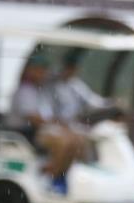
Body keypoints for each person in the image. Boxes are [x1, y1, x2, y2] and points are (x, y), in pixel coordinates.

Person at [5, 51, 84, 195]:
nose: (43, 74)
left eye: (44, 70)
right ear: (30, 71)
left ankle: (59, 176)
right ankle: (48, 175)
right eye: (40, 70)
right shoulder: (25, 91)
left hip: (36, 131)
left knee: (75, 141)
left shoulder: (41, 89)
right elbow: (35, 119)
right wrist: (57, 124)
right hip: (24, 133)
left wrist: (60, 124)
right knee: (63, 142)